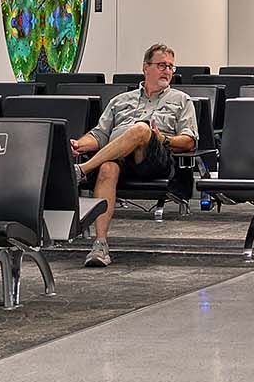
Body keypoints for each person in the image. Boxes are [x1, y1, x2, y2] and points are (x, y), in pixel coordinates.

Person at [71, 43, 200, 266]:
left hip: (154, 158)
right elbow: (100, 135)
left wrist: (163, 139)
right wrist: (78, 145)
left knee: (141, 129)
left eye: (170, 67)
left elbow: (189, 141)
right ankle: (100, 244)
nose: (167, 71)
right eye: (161, 65)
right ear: (145, 67)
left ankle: (81, 170)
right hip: (119, 158)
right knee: (107, 168)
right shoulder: (120, 101)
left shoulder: (181, 100)